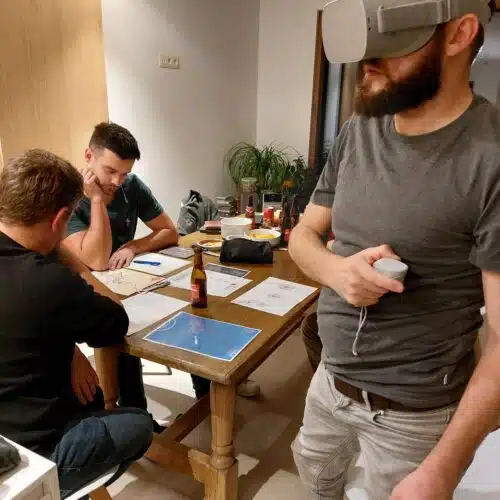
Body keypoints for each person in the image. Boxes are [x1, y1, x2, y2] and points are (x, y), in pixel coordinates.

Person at [289, 1, 500, 498]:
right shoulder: (360, 128)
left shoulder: (489, 160)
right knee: (316, 479)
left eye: (393, 45)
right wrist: (337, 272)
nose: (368, 62)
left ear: (458, 35)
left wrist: (444, 468)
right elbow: (303, 235)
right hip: (329, 383)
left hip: (414, 415)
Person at [62, 122, 260, 404]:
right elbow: (97, 260)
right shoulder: (69, 196)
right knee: (122, 329)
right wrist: (96, 200)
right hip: (87, 289)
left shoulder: (130, 186)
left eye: (124, 173)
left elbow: (169, 231)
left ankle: (206, 387)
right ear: (88, 156)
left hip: (127, 278)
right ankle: (136, 410)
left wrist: (133, 246)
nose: (117, 181)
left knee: (192, 304)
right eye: (110, 171)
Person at [0, 149, 153, 499]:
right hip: (33, 452)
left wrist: (71, 350)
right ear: (59, 220)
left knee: (93, 394)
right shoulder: (49, 281)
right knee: (138, 424)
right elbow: (117, 320)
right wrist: (75, 264)